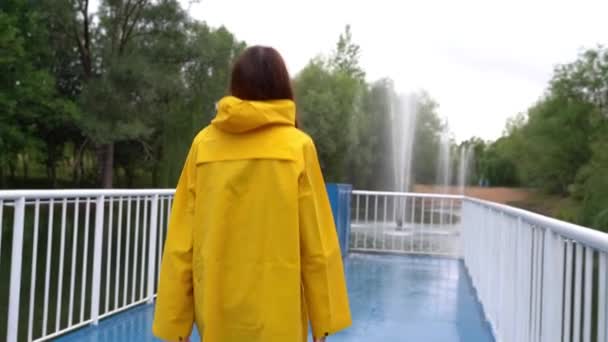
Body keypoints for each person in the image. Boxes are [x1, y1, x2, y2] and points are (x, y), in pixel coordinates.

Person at [152, 46, 352, 342]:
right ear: (282, 87)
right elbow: (317, 247)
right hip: (278, 322)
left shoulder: (203, 146)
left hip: (217, 317)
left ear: (236, 87)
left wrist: (174, 324)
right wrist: (323, 322)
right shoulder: (298, 147)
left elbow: (181, 244)